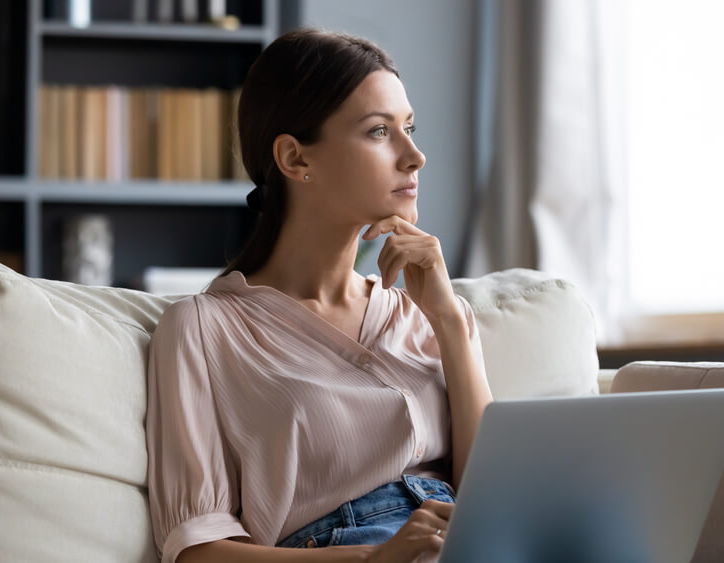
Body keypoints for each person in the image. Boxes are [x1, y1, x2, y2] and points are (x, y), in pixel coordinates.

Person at [145, 29, 493, 563]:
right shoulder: (203, 328)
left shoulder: (429, 313)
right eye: (379, 131)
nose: (415, 156)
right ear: (294, 158)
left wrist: (450, 323)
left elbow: (495, 499)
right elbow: (200, 550)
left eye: (410, 128)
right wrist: (373, 560)